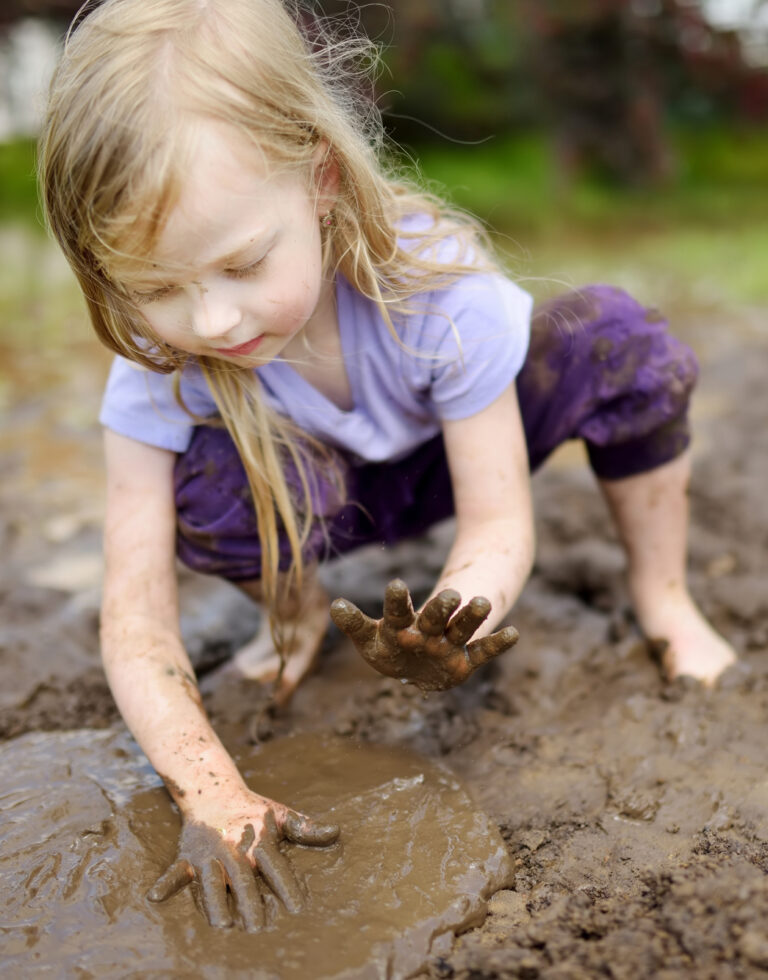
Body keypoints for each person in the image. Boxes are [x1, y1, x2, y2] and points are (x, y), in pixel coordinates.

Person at [39, 0, 735, 932]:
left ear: (319, 178)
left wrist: (456, 617)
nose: (212, 323)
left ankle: (664, 596)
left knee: (625, 343)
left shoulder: (438, 289)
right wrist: (210, 789)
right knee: (195, 482)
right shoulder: (161, 375)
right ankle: (292, 617)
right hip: (317, 495)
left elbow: (496, 525)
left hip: (459, 455)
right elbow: (133, 614)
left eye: (243, 264)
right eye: (157, 288)